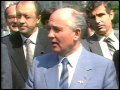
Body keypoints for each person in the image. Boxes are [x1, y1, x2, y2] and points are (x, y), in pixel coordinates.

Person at [25, 7, 118, 89]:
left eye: (57, 29)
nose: (50, 35)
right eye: (49, 29)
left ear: (76, 33)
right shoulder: (38, 65)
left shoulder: (103, 67)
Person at [2, 1, 51, 89]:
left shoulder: (52, 41)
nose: (21, 21)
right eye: (18, 16)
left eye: (27, 17)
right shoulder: (5, 44)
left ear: (38, 18)